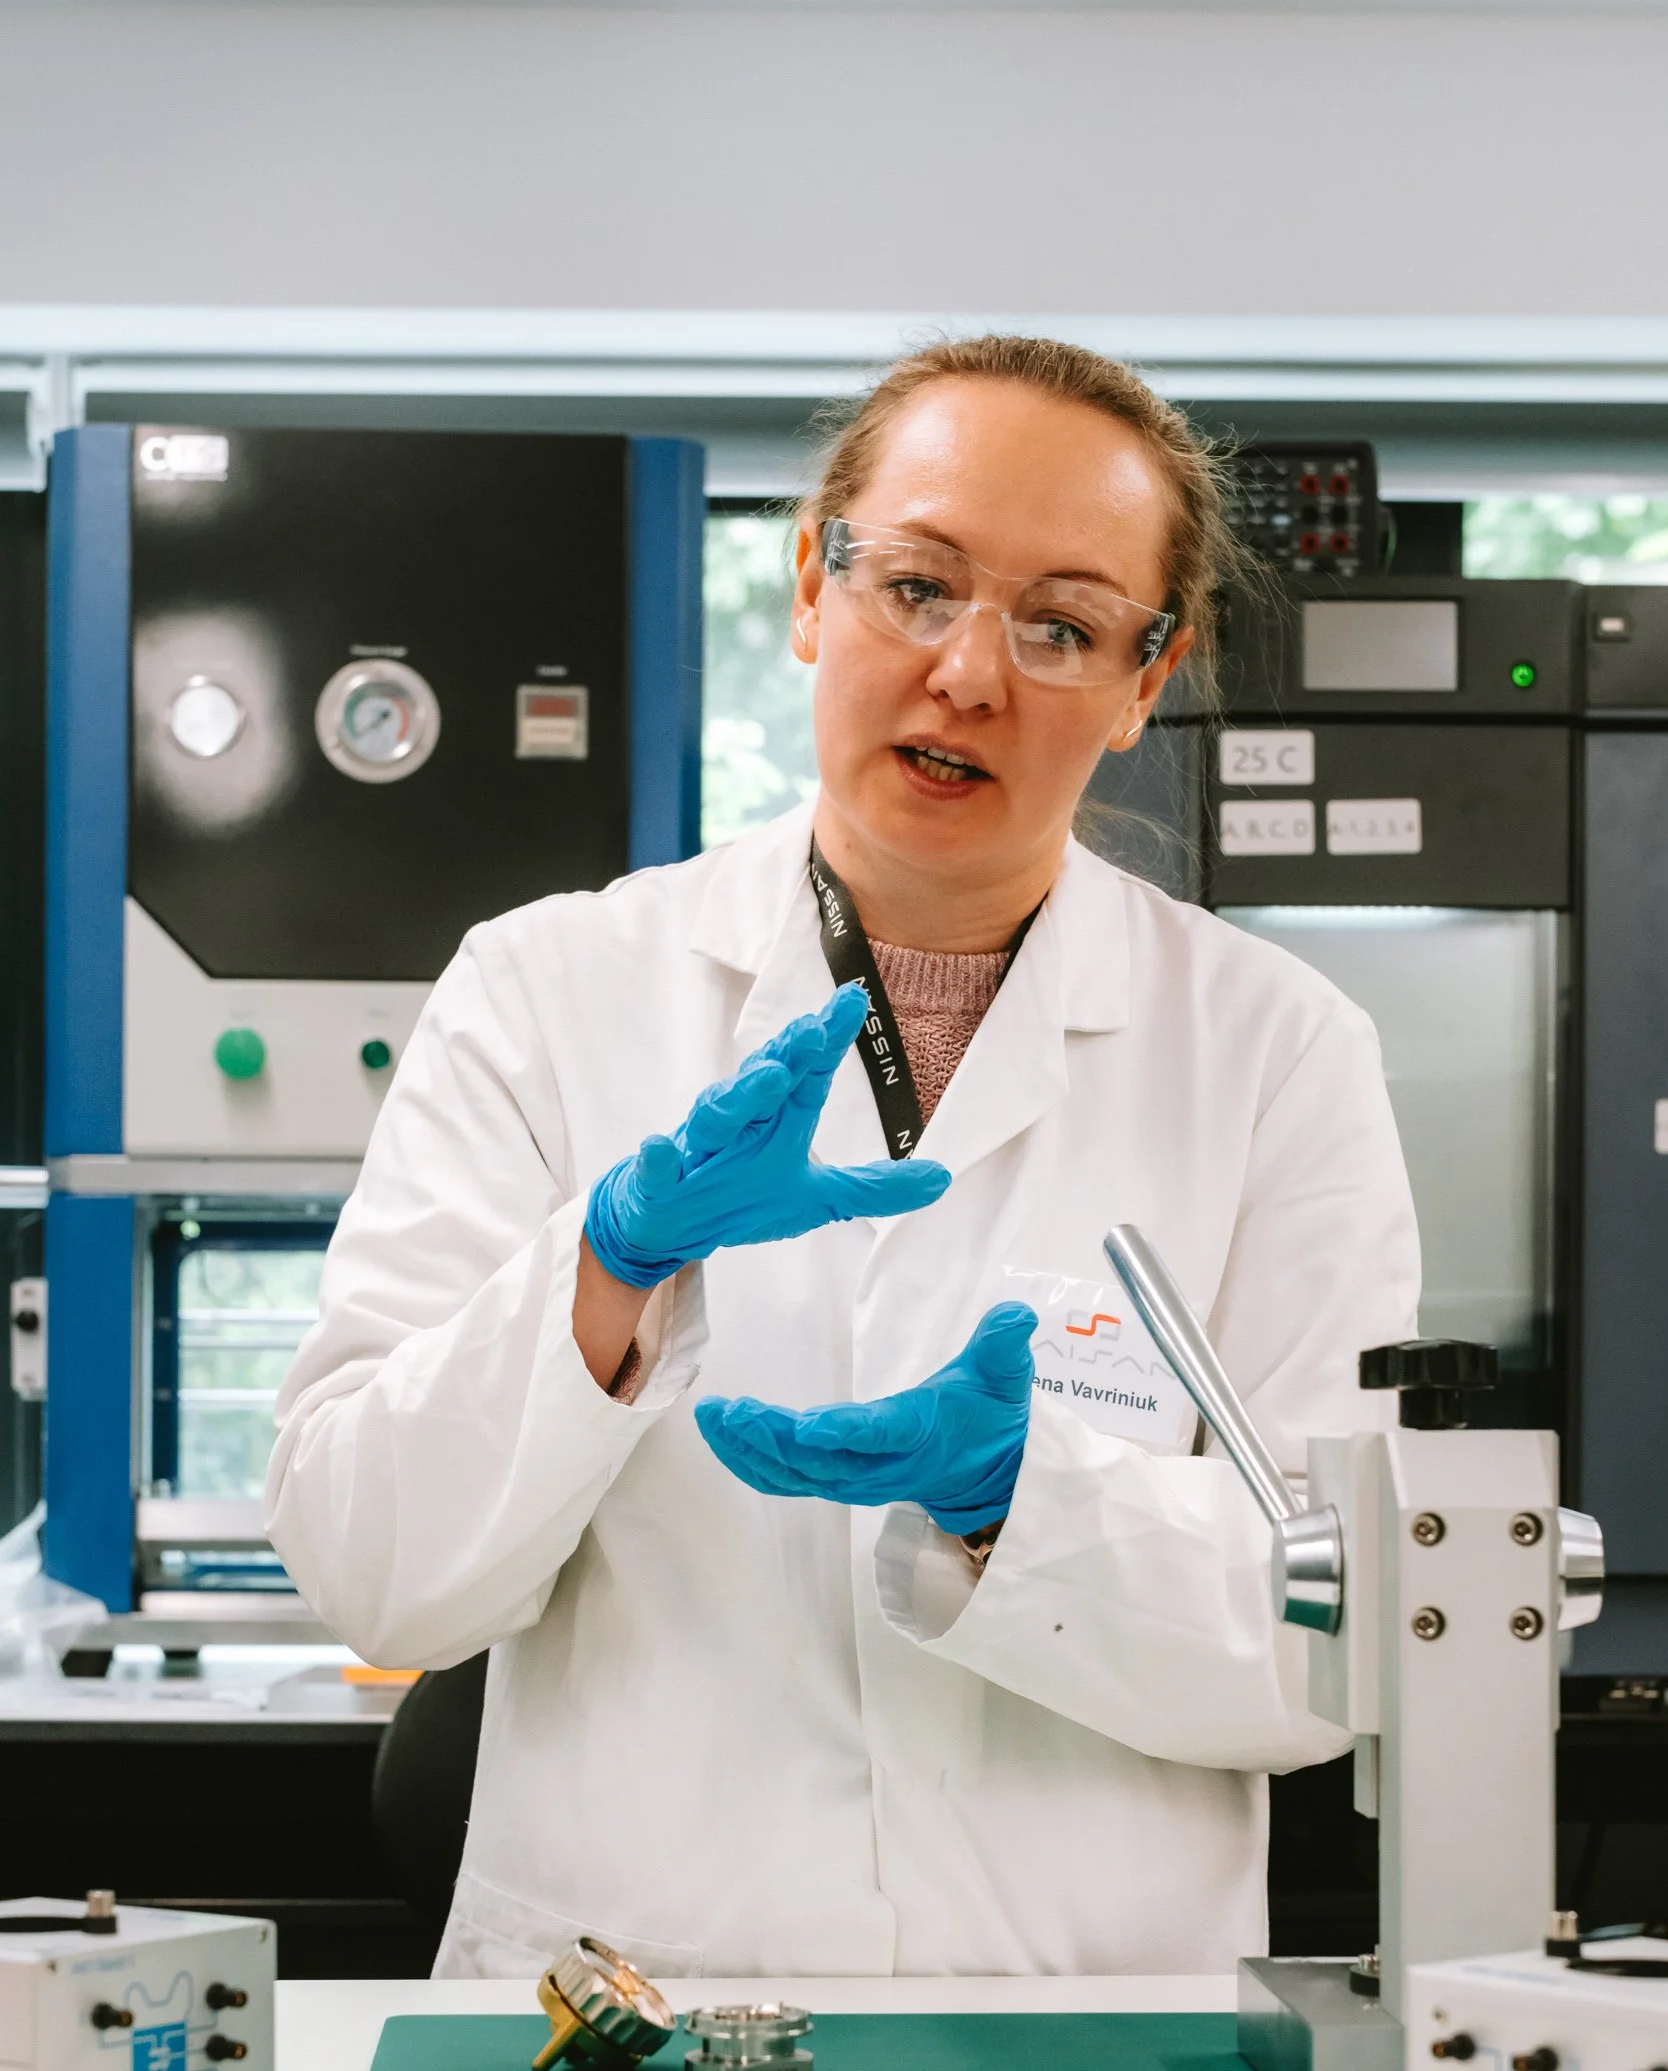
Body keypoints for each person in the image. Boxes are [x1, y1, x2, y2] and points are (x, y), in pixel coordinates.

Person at [266, 335, 1419, 1981]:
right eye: (919, 587)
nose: (971, 674)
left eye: (1064, 626)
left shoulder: (1276, 1051)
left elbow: (1347, 1643)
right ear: (813, 585)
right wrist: (606, 1267)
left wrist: (1021, 1501)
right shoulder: (547, 990)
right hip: (630, 2025)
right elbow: (377, 1577)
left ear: (1143, 683)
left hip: (1090, 2045)